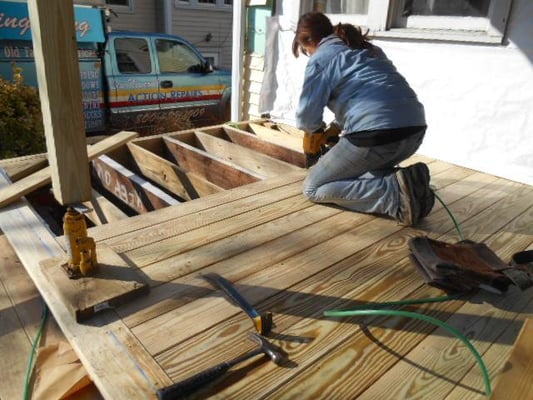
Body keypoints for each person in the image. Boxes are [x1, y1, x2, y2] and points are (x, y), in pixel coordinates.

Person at [292, 11, 435, 226]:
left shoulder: (321, 59)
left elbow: (306, 119)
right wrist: (336, 127)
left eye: (306, 51)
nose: (309, 55)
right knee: (368, 173)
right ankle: (410, 184)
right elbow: (371, 94)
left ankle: (393, 195)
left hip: (377, 136)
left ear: (309, 41)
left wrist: (316, 131)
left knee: (314, 188)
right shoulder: (367, 48)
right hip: (414, 132)